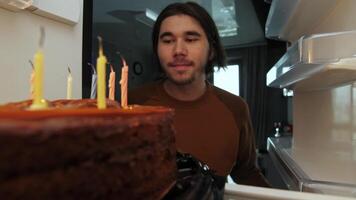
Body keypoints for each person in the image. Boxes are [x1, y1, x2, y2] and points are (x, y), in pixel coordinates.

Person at [129, 2, 269, 188]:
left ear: (211, 50)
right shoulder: (130, 104)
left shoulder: (236, 108)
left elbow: (247, 174)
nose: (178, 50)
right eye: (168, 40)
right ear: (157, 49)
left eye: (191, 39)